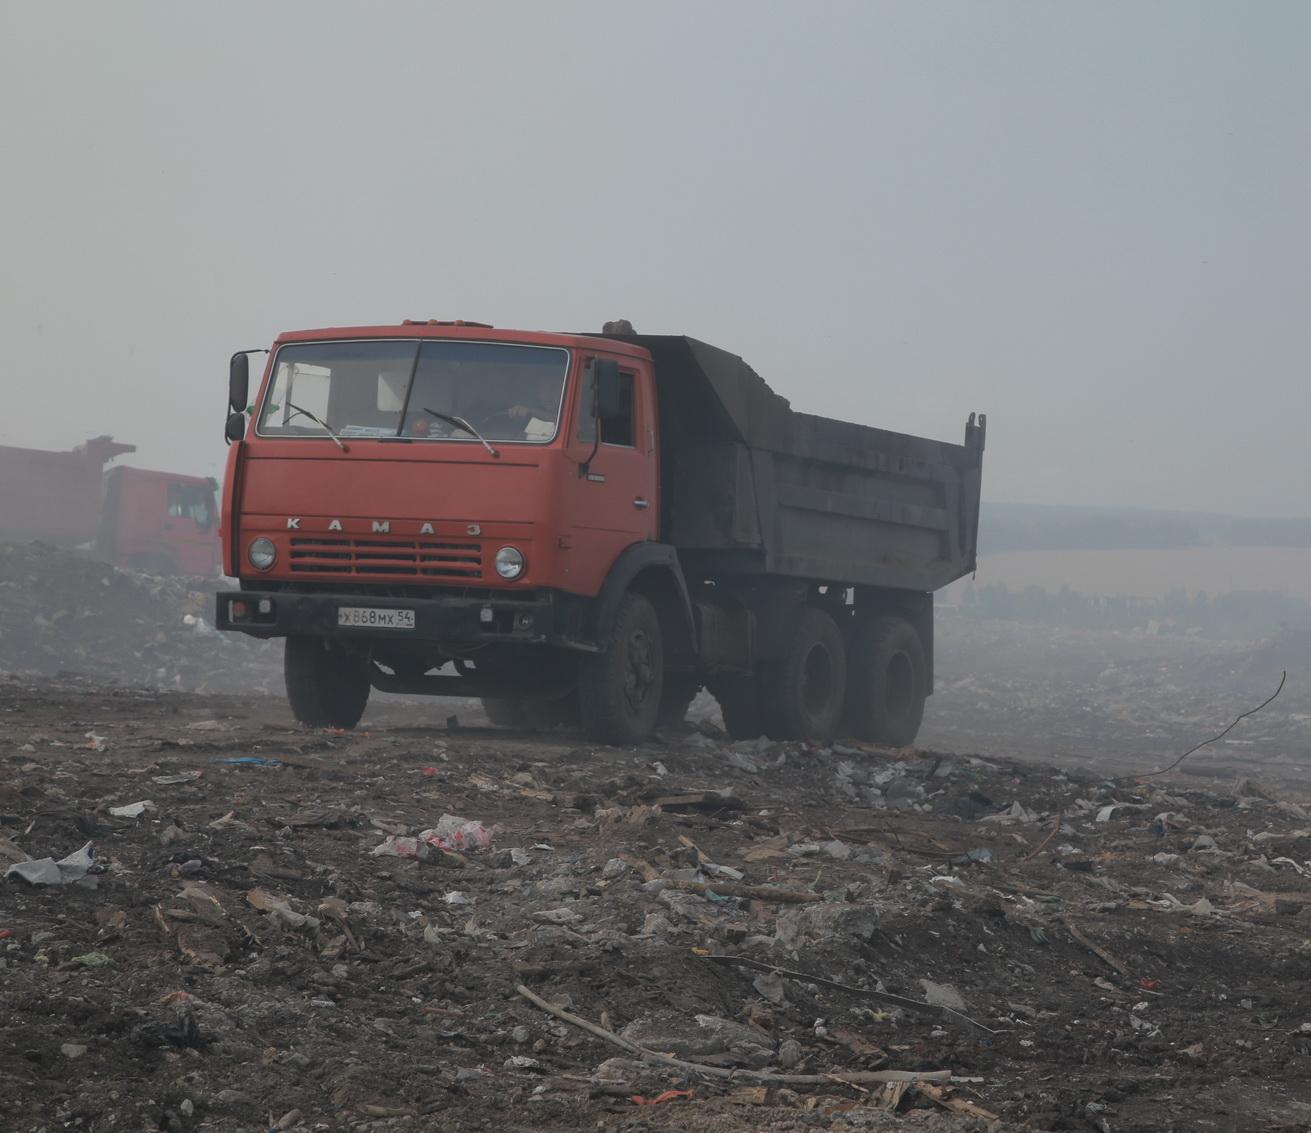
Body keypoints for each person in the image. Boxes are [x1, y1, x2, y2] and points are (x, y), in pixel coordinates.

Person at [505, 373, 562, 439]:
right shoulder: (529, 417)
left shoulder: (571, 412)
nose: (547, 395)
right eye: (543, 390)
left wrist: (530, 411)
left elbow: (561, 421)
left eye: (553, 389)